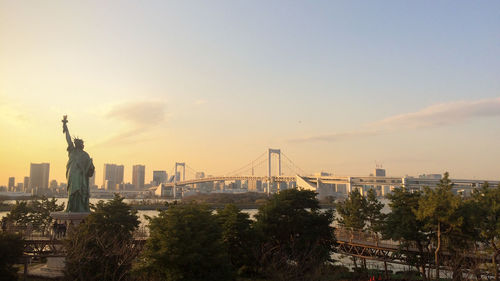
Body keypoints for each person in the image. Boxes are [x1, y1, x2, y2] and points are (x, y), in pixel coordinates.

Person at [63, 116, 94, 212]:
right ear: (78, 144)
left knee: (81, 192)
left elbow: (90, 167)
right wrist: (65, 125)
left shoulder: (85, 155)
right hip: (72, 174)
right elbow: (68, 138)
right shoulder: (72, 150)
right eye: (81, 143)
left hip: (81, 176)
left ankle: (80, 207)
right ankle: (71, 207)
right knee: (72, 191)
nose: (83, 145)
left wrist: (91, 168)